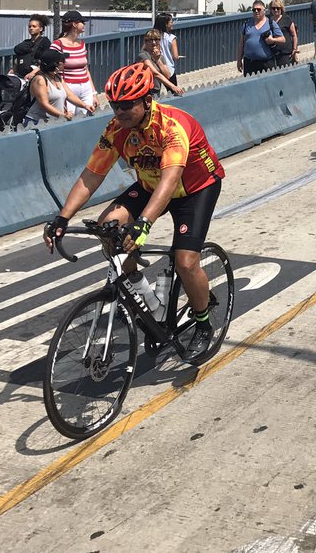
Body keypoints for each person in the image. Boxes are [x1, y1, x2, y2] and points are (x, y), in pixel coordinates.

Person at [44, 63, 226, 358]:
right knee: (108, 227)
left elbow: (170, 180)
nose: (120, 111)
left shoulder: (171, 126)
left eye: (128, 105)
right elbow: (92, 175)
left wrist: (144, 223)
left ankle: (203, 323)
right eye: (115, 105)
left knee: (186, 262)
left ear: (147, 100)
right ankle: (144, 294)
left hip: (194, 188)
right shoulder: (115, 129)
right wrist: (63, 217)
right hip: (151, 184)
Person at [24, 48, 92, 126]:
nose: (65, 63)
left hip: (54, 122)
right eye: (62, 61)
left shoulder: (57, 77)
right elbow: (44, 104)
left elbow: (70, 95)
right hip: (37, 123)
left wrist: (85, 105)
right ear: (54, 65)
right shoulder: (40, 80)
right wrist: (63, 115)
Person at [51, 10, 97, 116]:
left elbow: (85, 69)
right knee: (69, 117)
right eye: (82, 22)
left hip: (85, 86)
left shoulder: (82, 44)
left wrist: (93, 93)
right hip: (67, 86)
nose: (84, 24)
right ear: (74, 24)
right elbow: (51, 69)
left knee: (86, 117)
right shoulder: (57, 45)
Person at [237, 0, 285, 76]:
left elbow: (283, 39)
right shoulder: (246, 24)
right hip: (249, 63)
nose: (256, 11)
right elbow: (241, 44)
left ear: (264, 10)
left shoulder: (271, 23)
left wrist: (272, 40)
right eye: (254, 10)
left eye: (259, 9)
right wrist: (239, 60)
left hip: (266, 63)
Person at [137, 29, 182, 97]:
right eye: (150, 40)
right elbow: (155, 74)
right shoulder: (143, 55)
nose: (154, 42)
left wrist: (158, 60)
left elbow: (168, 75)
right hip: (144, 91)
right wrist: (173, 86)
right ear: (146, 42)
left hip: (156, 91)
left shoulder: (160, 56)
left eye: (156, 40)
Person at [12, 14, 51, 82]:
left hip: (37, 76)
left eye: (34, 26)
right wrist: (13, 70)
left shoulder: (45, 42)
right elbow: (18, 58)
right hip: (21, 75)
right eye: (29, 26)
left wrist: (33, 73)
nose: (31, 28)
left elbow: (46, 61)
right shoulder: (26, 42)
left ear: (41, 29)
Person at [269, 0, 298, 68]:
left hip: (285, 52)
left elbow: (294, 35)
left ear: (281, 9)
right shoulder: (269, 21)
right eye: (273, 8)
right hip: (273, 52)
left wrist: (294, 49)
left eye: (278, 8)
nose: (276, 10)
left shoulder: (287, 19)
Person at [154, 12, 180, 86]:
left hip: (155, 68)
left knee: (155, 91)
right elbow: (175, 56)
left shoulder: (152, 37)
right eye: (171, 22)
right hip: (168, 69)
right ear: (166, 24)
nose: (172, 24)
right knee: (173, 90)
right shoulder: (171, 38)